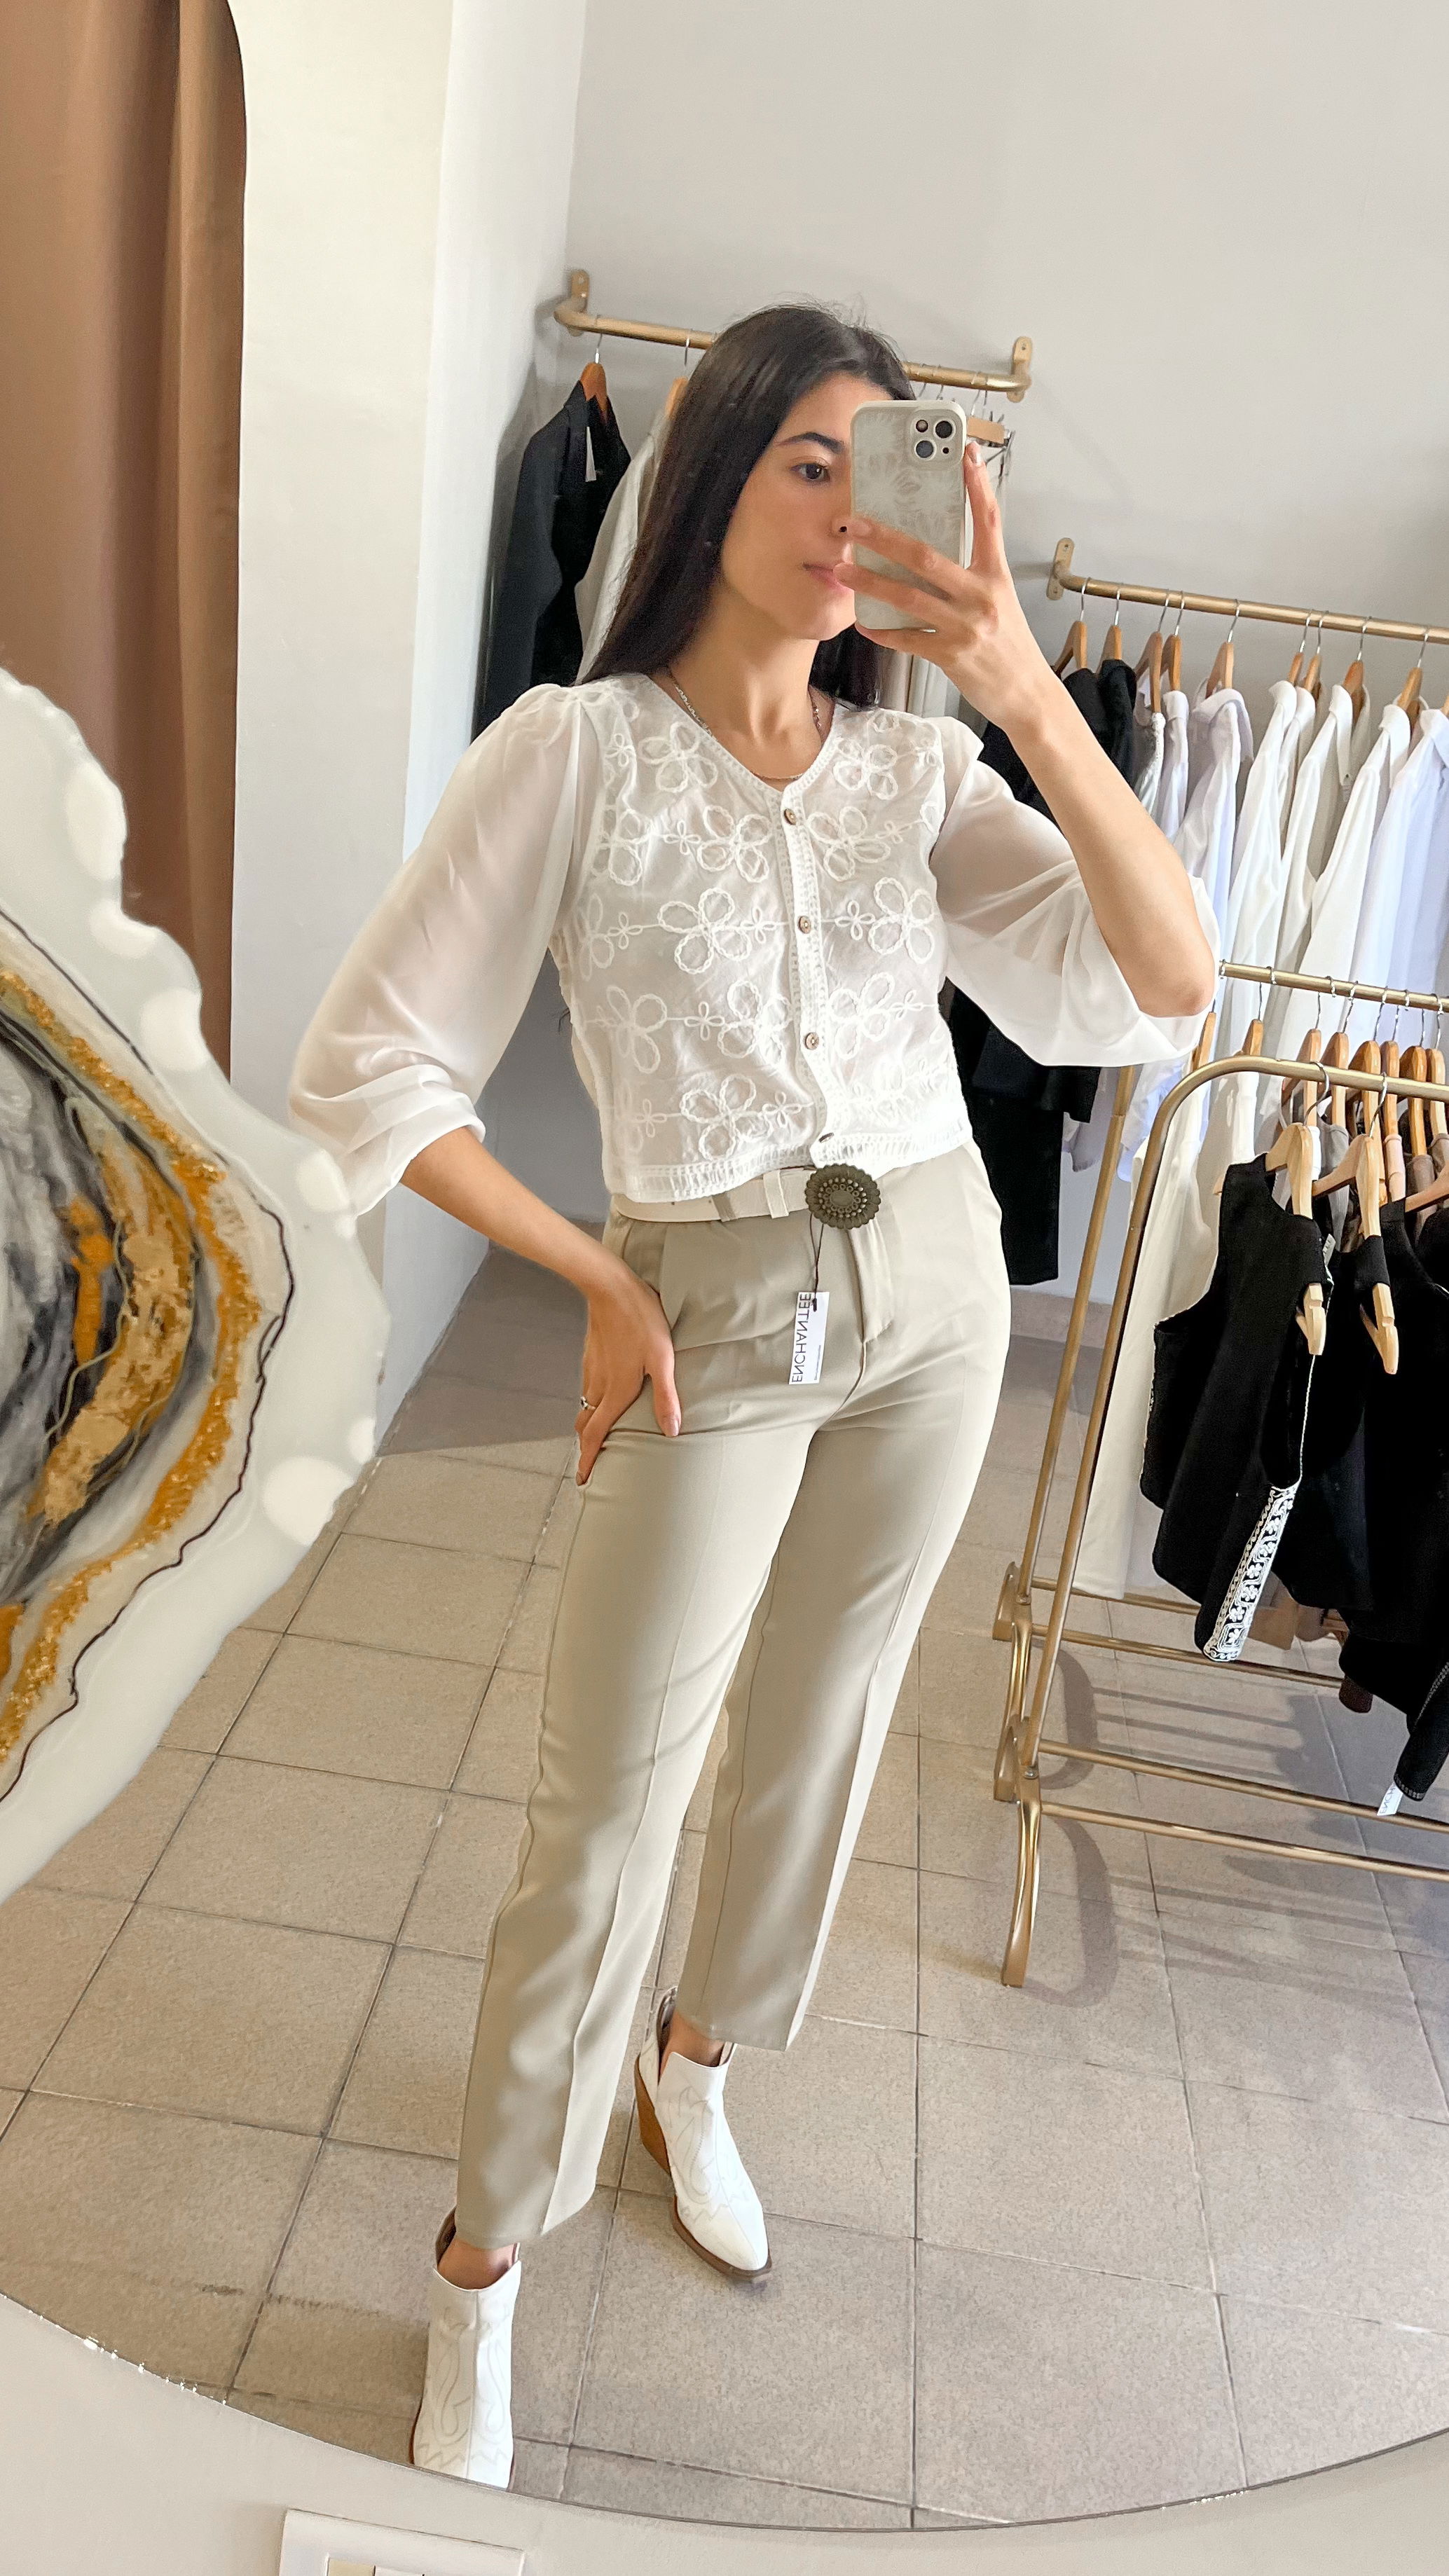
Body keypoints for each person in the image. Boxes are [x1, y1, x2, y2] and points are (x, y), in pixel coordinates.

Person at [290, 305, 1215, 2488]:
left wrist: (1018, 693)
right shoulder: (572, 752)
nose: (845, 509)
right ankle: (481, 2263)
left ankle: (693, 2067)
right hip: (704, 1307)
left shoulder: (918, 775)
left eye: (882, 466)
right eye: (806, 458)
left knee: (824, 1729)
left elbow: (1162, 982)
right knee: (604, 1802)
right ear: (706, 475)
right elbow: (366, 1068)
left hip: (935, 1290)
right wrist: (594, 1270)